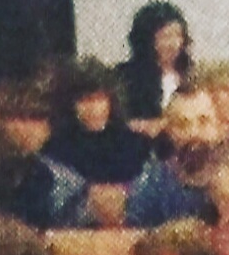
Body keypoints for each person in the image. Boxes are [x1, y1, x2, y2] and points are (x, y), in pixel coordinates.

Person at [119, 82, 229, 232]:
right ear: (169, 131)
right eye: (183, 124)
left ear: (218, 127)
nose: (193, 133)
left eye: (203, 121)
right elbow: (135, 237)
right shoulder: (154, 182)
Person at [43, 58, 153, 189]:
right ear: (71, 103)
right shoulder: (57, 147)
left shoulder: (133, 144)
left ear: (111, 101)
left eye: (100, 99)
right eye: (86, 100)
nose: (94, 109)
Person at [120, 0, 193, 123]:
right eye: (165, 36)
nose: (173, 44)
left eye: (178, 35)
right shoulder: (127, 78)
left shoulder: (190, 74)